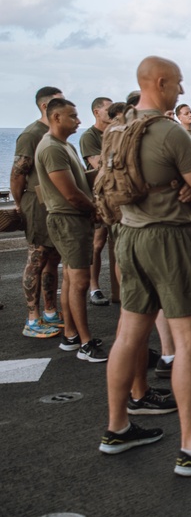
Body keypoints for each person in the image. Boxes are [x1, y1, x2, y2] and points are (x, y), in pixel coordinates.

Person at [101, 56, 191, 476]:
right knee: (189, 344)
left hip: (128, 236)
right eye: (178, 83)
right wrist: (183, 185)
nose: (182, 90)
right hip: (168, 238)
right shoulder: (168, 132)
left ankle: (117, 428)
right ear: (160, 82)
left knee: (128, 335)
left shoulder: (116, 129)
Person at [34, 98, 106, 361]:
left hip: (72, 219)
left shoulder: (64, 145)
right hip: (67, 220)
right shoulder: (52, 148)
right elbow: (70, 193)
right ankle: (85, 343)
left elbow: (77, 183)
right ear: (56, 117)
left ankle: (72, 335)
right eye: (73, 116)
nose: (79, 120)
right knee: (79, 282)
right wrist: (95, 210)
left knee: (70, 280)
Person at [13, 86, 65, 338]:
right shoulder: (31, 134)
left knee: (52, 258)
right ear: (45, 106)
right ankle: (32, 320)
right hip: (36, 204)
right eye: (60, 102)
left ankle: (50, 311)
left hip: (52, 205)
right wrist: (19, 204)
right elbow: (17, 173)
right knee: (36, 259)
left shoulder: (54, 133)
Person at [80, 96, 115, 306]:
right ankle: (94, 287)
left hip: (117, 195)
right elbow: (97, 164)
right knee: (98, 242)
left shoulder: (116, 132)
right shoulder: (89, 136)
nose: (112, 113)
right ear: (96, 112)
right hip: (99, 196)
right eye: (108, 109)